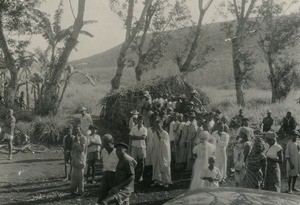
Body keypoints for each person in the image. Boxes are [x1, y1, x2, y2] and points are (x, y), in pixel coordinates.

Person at [96, 134, 119, 204]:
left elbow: (131, 162)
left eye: (107, 144)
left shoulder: (117, 152)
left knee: (116, 195)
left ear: (112, 143)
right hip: (105, 175)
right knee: (102, 193)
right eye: (104, 145)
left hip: (115, 176)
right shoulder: (103, 151)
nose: (106, 147)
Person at [151, 118, 172, 188]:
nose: (157, 127)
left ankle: (166, 182)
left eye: (159, 125)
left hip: (163, 153)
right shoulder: (154, 134)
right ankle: (157, 180)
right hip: (156, 152)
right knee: (156, 165)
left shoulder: (165, 134)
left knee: (164, 166)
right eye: (156, 125)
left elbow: (167, 144)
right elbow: (153, 143)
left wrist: (161, 139)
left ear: (161, 125)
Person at [129, 115, 147, 182]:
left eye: (141, 120)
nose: (139, 121)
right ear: (137, 121)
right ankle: (133, 176)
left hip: (141, 146)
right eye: (138, 120)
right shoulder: (133, 128)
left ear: (142, 121)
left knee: (141, 161)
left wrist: (135, 137)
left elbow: (144, 138)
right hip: (134, 146)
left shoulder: (144, 129)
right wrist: (139, 137)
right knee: (133, 161)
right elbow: (130, 137)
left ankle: (141, 176)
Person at [70, 126, 87, 196]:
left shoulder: (83, 138)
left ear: (81, 130)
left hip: (80, 160)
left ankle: (80, 191)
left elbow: (82, 149)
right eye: (75, 130)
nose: (76, 131)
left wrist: (77, 141)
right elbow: (73, 147)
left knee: (80, 177)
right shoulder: (74, 138)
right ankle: (73, 190)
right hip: (74, 159)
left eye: (78, 130)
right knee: (74, 177)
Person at [285, 130, 300, 194]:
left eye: (296, 136)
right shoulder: (289, 143)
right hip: (291, 161)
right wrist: (290, 163)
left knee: (295, 174)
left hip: (297, 161)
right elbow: (287, 155)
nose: (295, 137)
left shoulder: (298, 142)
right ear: (291, 136)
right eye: (294, 136)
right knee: (290, 175)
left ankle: (293, 187)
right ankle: (289, 188)